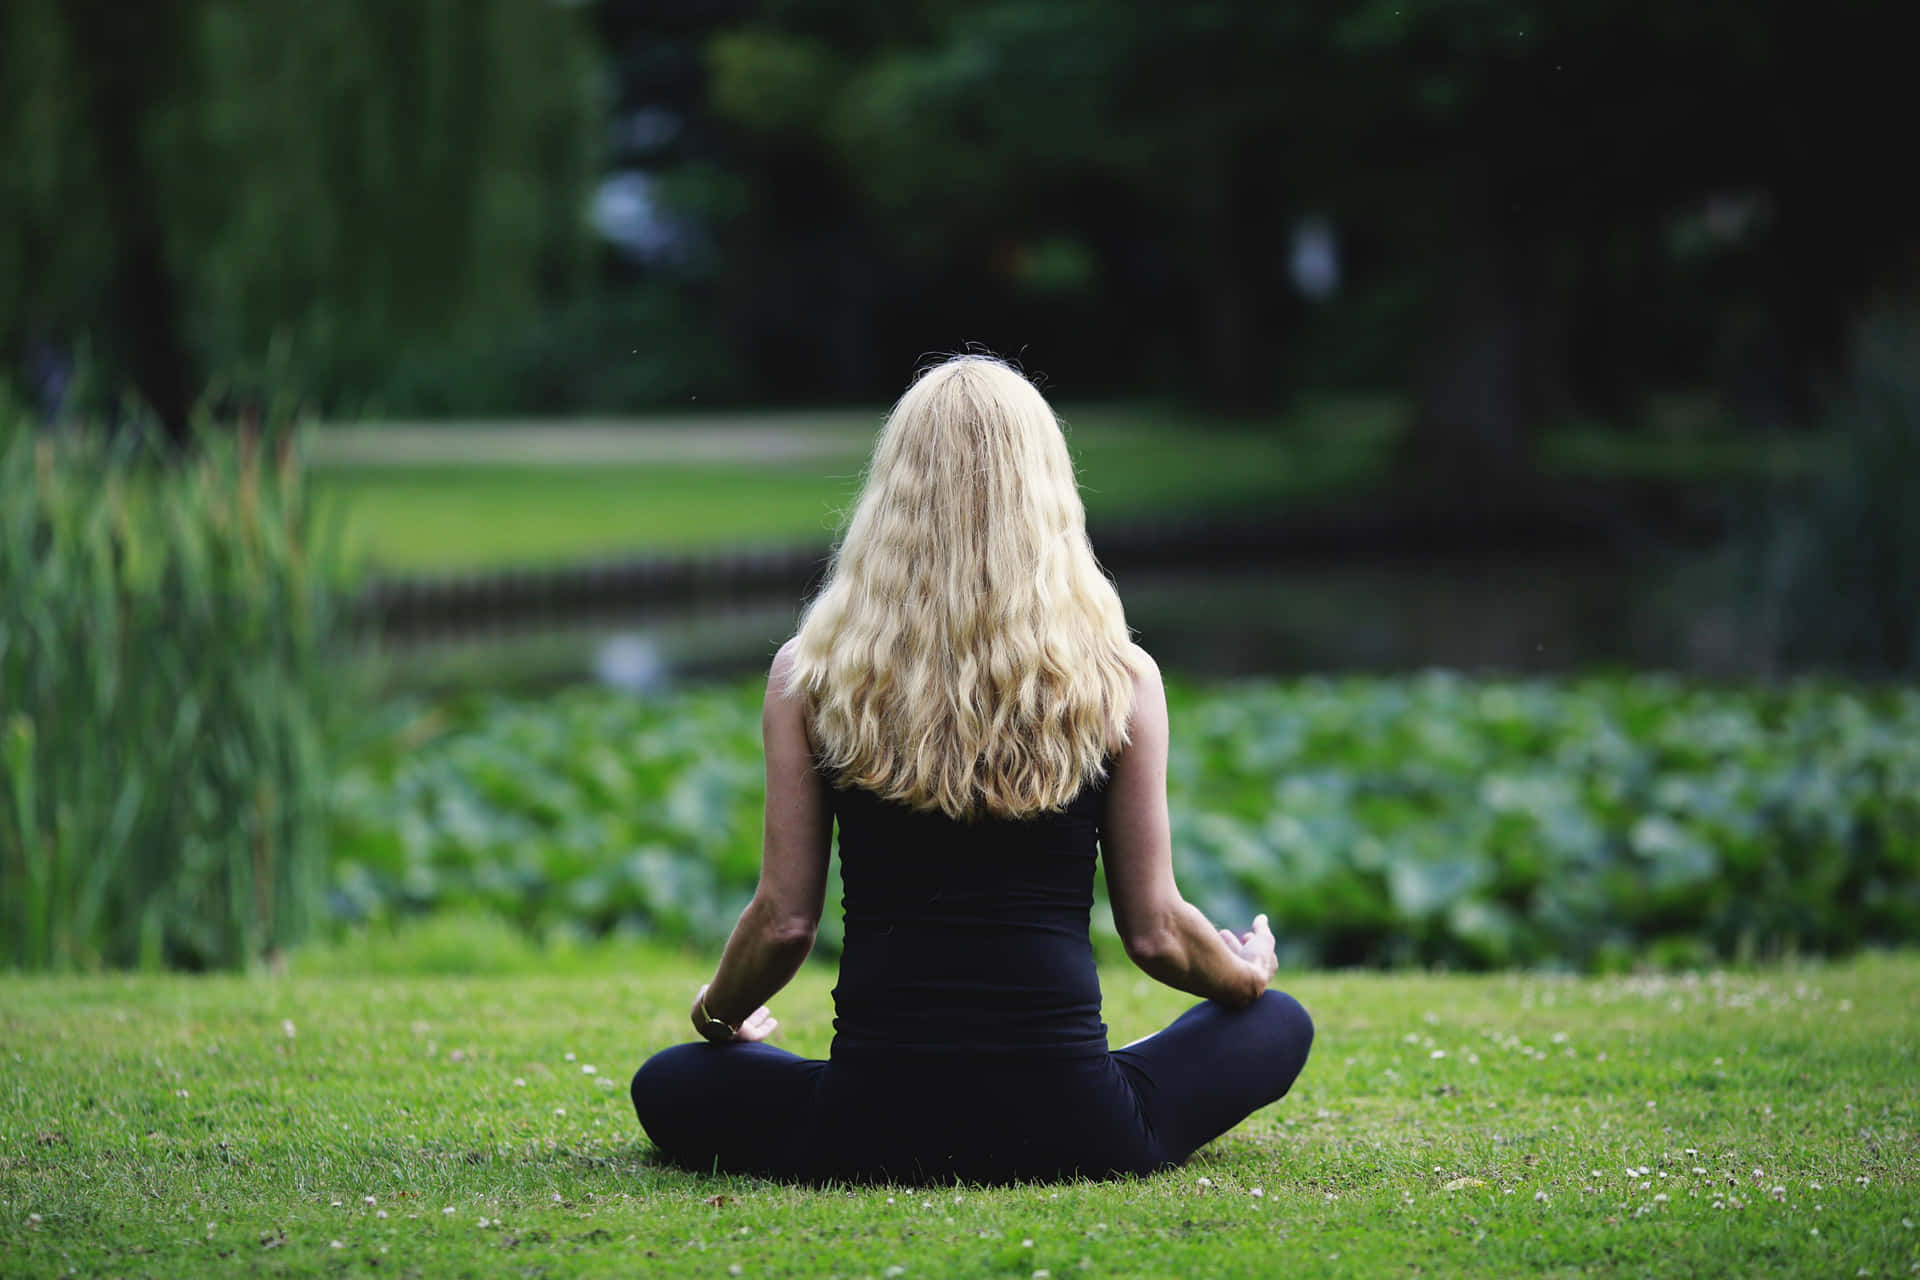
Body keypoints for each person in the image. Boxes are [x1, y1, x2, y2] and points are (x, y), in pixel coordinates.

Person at [630, 354, 1313, 1185]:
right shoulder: (1119, 677)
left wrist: (717, 1015)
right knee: (1277, 1022)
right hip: (1080, 1126)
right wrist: (1238, 977)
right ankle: (1112, 1063)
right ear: (1046, 493)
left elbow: (783, 923)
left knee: (667, 1081)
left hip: (869, 1126)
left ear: (893, 496)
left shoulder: (811, 676)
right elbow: (1157, 932)